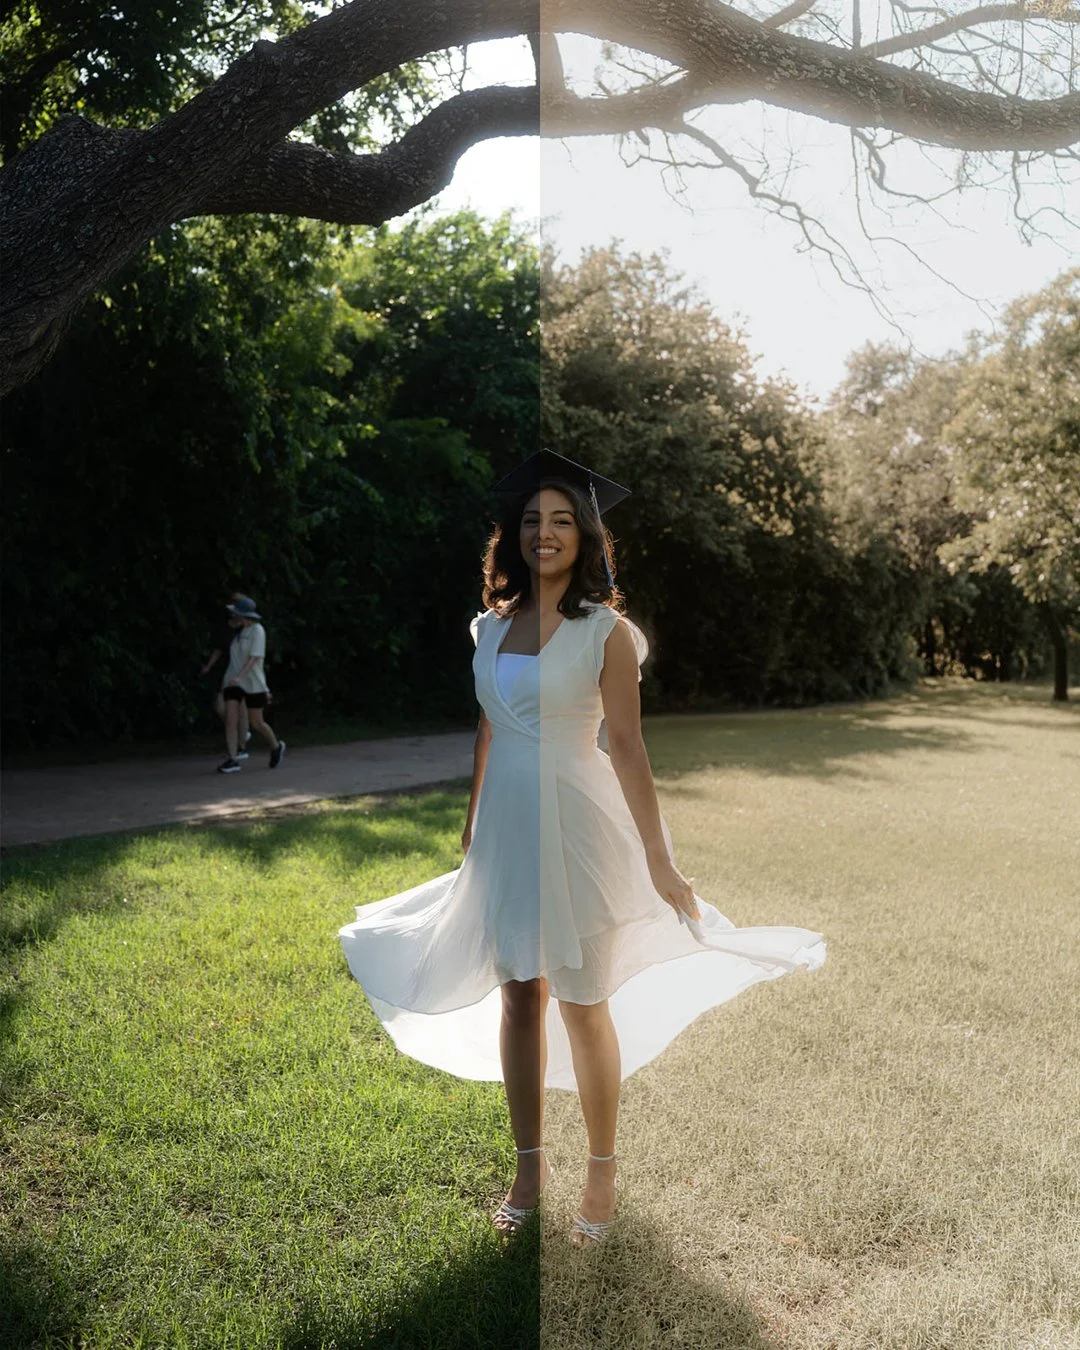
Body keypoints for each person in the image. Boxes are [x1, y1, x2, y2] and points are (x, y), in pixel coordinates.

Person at [338, 449, 825, 1247]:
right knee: (517, 997)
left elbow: (627, 748)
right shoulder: (488, 628)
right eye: (533, 520)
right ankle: (529, 1167)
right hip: (506, 830)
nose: (546, 533)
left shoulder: (607, 634)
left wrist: (661, 860)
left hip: (581, 821)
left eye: (563, 520)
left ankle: (601, 1168)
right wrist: (471, 823)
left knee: (583, 999)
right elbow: (489, 724)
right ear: (514, 535)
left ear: (587, 537)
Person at [216, 596, 285, 774]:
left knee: (256, 723)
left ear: (242, 614)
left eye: (235, 612)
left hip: (252, 683)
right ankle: (232, 759)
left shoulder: (257, 631)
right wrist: (232, 679)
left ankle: (276, 747)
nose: (232, 615)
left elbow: (255, 658)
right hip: (232, 682)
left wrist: (241, 677)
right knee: (230, 720)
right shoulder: (237, 632)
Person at [201, 593, 251, 757]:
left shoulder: (247, 629)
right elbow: (219, 648)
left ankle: (241, 745)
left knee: (241, 709)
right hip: (226, 671)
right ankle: (238, 732)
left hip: (241, 673)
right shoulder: (224, 627)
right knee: (220, 707)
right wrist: (209, 666)